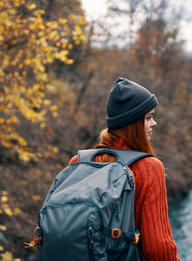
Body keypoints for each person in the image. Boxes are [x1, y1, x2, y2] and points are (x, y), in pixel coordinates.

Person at [68, 77, 180, 261]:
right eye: (148, 118)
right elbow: (159, 249)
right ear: (133, 124)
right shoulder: (150, 168)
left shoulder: (78, 162)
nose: (154, 123)